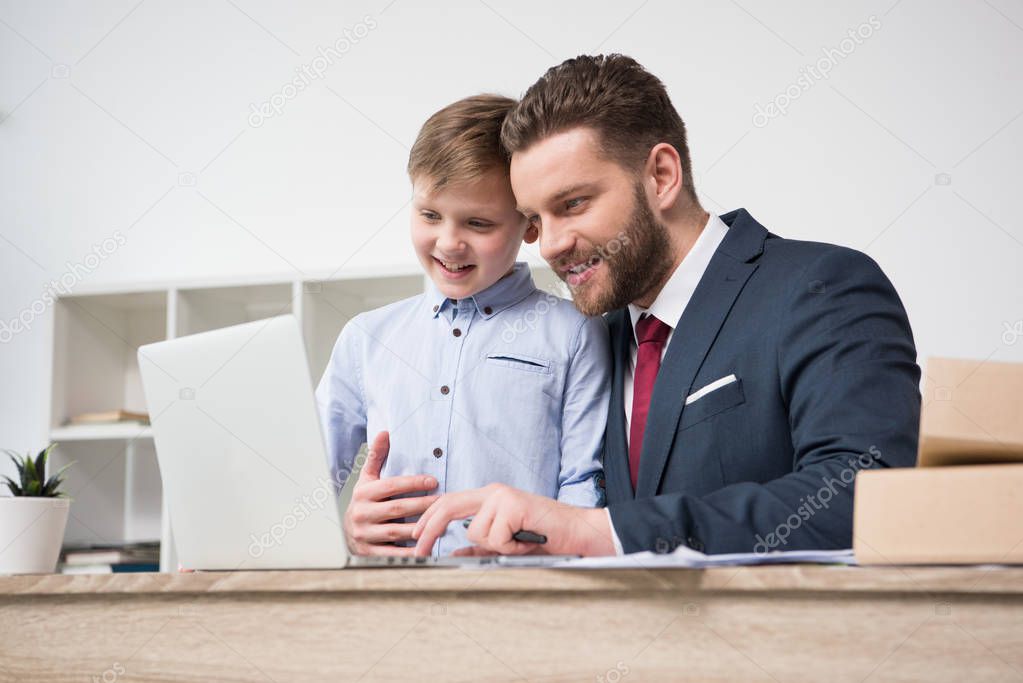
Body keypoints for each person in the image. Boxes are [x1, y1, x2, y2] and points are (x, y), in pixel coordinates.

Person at [408, 54, 921, 557]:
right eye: (535, 219)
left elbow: (866, 496)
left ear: (661, 176)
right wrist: (396, 523)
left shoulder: (820, 287)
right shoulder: (590, 338)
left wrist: (603, 533)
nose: (550, 245)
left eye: (573, 204)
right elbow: (568, 502)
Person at [315, 94, 610, 557]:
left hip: (524, 603)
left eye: (478, 222)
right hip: (392, 601)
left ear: (529, 225)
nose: (449, 243)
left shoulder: (576, 333)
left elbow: (583, 484)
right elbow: (303, 485)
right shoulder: (365, 339)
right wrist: (347, 530)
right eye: (429, 215)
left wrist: (554, 561)